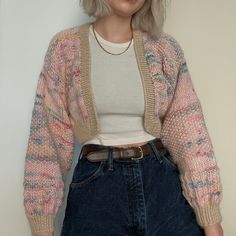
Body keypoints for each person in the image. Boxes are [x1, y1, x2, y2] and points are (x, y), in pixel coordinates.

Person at [23, 0, 223, 235]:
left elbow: (190, 134)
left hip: (163, 188)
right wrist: (42, 224)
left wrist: (211, 219)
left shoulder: (165, 49)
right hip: (95, 191)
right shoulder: (64, 48)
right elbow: (47, 140)